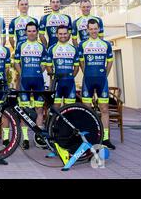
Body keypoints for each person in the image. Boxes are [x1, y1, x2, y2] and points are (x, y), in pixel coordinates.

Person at [79, 19, 116, 150]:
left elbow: (110, 61)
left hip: (102, 81)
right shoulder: (82, 44)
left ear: (99, 29)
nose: (93, 31)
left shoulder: (106, 44)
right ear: (87, 30)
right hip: (88, 81)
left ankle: (105, 139)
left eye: (95, 28)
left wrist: (104, 75)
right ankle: (88, 138)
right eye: (91, 29)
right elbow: (81, 63)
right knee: (87, 111)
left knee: (104, 109)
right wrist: (87, 73)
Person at [14, 22, 47, 149]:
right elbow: (16, 62)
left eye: (34, 31)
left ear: (37, 32)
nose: (32, 33)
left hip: (38, 80)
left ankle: (38, 137)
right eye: (29, 31)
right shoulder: (20, 45)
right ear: (25, 32)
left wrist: (39, 71)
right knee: (24, 111)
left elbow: (44, 63)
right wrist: (23, 73)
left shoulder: (41, 46)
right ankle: (25, 139)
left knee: (39, 110)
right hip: (24, 82)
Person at [46, 25, 80, 108]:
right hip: (57, 83)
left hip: (70, 83)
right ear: (56, 35)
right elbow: (48, 67)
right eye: (60, 34)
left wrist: (70, 76)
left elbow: (76, 67)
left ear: (68, 34)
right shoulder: (51, 49)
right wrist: (54, 78)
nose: (63, 36)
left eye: (65, 33)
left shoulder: (74, 49)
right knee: (55, 108)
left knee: (69, 109)